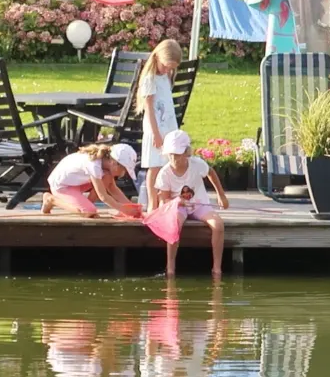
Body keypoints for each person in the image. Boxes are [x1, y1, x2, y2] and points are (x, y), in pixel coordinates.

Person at [154, 130, 229, 278]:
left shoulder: (197, 164)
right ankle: (170, 267)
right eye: (171, 154)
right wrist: (177, 201)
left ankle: (217, 268)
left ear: (187, 152)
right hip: (178, 207)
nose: (174, 158)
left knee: (218, 225)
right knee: (174, 224)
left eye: (178, 154)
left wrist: (221, 195)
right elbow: (163, 201)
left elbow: (211, 173)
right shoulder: (164, 173)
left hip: (199, 204)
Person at [136, 39, 183, 213]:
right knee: (154, 166)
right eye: (166, 66)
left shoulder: (167, 76)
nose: (168, 70)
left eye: (171, 67)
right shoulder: (150, 78)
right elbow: (148, 108)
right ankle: (152, 202)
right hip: (155, 128)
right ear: (157, 58)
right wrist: (156, 133)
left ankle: (166, 199)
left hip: (169, 127)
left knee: (168, 164)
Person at [42, 143, 141, 218]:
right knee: (89, 211)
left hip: (76, 182)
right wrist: (122, 208)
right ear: (115, 162)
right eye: (123, 170)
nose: (122, 174)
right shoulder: (94, 165)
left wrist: (131, 207)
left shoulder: (105, 166)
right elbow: (103, 196)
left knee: (106, 177)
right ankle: (50, 199)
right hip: (61, 186)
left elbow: (112, 188)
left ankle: (85, 204)